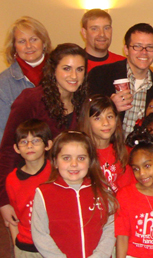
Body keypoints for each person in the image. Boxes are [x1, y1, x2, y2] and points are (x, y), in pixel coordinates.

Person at [0, 43, 87, 227]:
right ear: (53, 70)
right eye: (66, 68)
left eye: (79, 69)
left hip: (66, 193)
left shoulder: (83, 104)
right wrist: (4, 200)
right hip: (30, 194)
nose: (74, 76)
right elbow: (8, 149)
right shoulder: (31, 99)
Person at [31, 131, 116, 257]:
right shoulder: (44, 193)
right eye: (66, 158)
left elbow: (110, 229)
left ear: (90, 161)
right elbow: (40, 234)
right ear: (55, 161)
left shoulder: (102, 190)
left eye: (81, 158)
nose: (74, 164)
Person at [87, 23, 153, 136]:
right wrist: (110, 107)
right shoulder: (100, 75)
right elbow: (83, 113)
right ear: (126, 49)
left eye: (150, 47)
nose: (144, 52)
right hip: (106, 148)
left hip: (141, 152)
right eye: (137, 46)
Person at [6, 119, 52, 257]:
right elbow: (15, 217)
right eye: (24, 142)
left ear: (48, 145)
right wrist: (17, 245)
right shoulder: (12, 180)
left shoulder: (56, 171)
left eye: (36, 141)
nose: (30, 146)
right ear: (16, 148)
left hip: (54, 244)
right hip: (27, 247)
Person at [0, 16, 52, 138]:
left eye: (34, 39)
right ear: (14, 47)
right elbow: (2, 131)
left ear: (43, 43)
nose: (29, 46)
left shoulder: (61, 74)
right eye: (22, 41)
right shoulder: (3, 83)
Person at [78, 94, 133, 192]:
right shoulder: (80, 154)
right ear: (88, 121)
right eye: (98, 118)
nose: (106, 123)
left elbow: (127, 190)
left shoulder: (123, 152)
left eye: (110, 116)